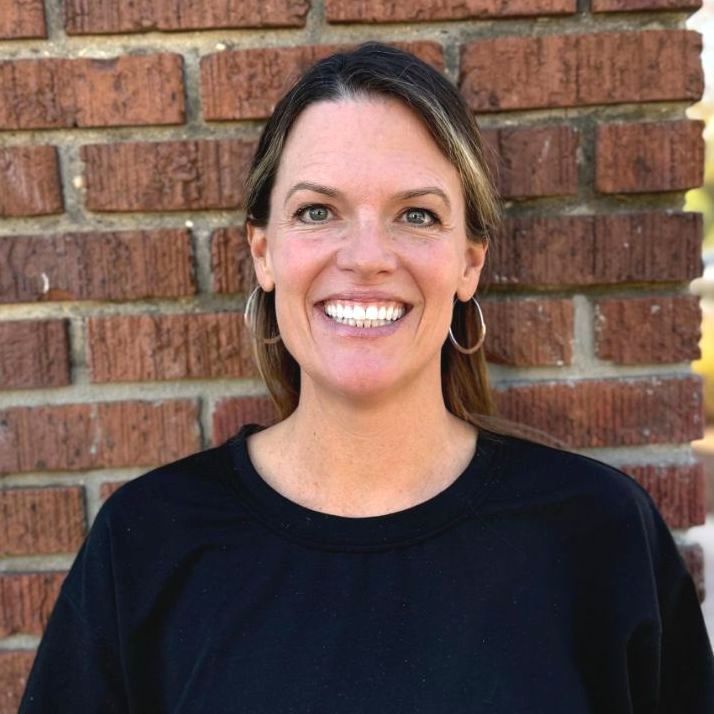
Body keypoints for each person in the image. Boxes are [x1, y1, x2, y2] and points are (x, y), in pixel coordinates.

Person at [19, 42, 714, 713]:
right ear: (264, 252)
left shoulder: (597, 537)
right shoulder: (147, 544)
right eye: (318, 212)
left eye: (416, 215)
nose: (368, 256)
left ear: (469, 262)